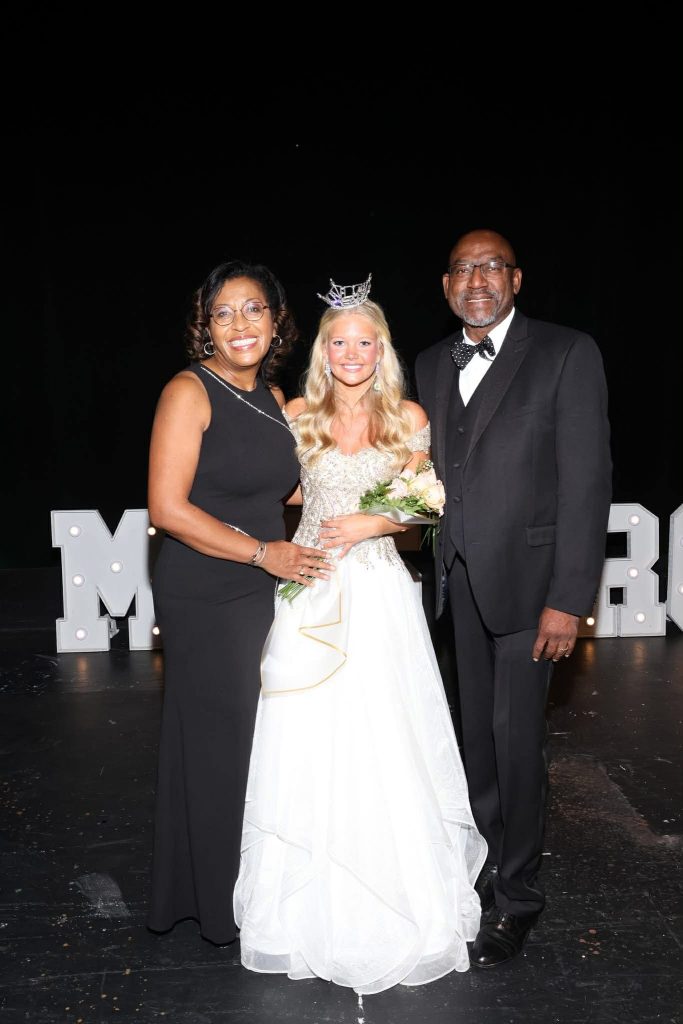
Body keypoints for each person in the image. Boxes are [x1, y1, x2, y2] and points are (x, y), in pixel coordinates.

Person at [233, 276, 487, 997]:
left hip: (377, 594)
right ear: (323, 352)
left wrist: (374, 521)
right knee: (306, 738)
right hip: (310, 590)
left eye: (364, 342)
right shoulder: (297, 413)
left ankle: (396, 896)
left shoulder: (407, 415)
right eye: (338, 342)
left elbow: (425, 503)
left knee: (385, 737)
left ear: (381, 350)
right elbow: (272, 488)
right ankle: (302, 906)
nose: (351, 353)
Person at [415, 229, 612, 968]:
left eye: (491, 266)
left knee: (516, 743)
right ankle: (484, 865)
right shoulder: (429, 363)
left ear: (516, 279)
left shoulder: (566, 352)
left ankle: (517, 896)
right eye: (462, 268)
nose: (477, 279)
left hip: (532, 592)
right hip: (457, 585)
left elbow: (586, 483)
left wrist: (568, 598)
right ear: (445, 286)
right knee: (477, 742)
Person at [146, 260, 333, 945]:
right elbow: (167, 508)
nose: (240, 324)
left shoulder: (276, 399)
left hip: (261, 584)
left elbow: (283, 489)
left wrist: (370, 480)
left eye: (253, 309)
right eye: (223, 313)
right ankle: (219, 907)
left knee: (256, 742)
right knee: (221, 744)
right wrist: (262, 553)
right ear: (207, 326)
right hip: (206, 586)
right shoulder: (188, 391)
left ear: (277, 321)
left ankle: (242, 889)